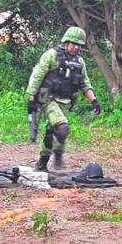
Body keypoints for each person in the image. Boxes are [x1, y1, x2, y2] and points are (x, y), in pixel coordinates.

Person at [26, 26, 101, 171]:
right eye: (73, 44)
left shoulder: (79, 62)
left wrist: (94, 101)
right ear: (66, 42)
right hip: (46, 98)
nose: (76, 47)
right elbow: (37, 76)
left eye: (79, 45)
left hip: (64, 102)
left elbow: (85, 84)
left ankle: (42, 162)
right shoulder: (51, 55)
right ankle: (58, 154)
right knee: (62, 127)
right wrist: (31, 98)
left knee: (52, 131)